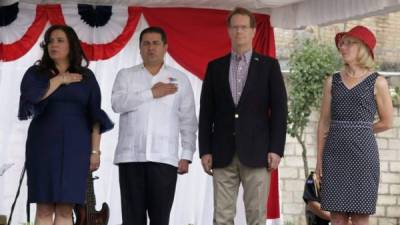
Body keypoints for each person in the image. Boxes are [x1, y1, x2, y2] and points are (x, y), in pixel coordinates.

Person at [198, 7, 288, 225]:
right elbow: (206, 111)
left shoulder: (269, 66)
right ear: (228, 31)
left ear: (253, 31)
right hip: (222, 152)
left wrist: (276, 149)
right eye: (235, 27)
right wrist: (205, 150)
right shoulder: (215, 67)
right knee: (222, 217)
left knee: (256, 216)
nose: (239, 32)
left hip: (258, 153)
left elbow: (279, 110)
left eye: (244, 27)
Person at [18, 25, 114, 225]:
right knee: (43, 207)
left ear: (72, 45)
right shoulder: (36, 73)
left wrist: (95, 152)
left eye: (60, 40)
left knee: (65, 208)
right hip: (43, 145)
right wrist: (60, 79)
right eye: (51, 41)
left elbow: (95, 116)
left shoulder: (87, 77)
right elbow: (33, 97)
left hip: (76, 147)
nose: (54, 44)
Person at [111, 26, 197, 225]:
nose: (151, 48)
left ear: (165, 47)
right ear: (139, 48)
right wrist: (151, 93)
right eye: (146, 44)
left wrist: (186, 155)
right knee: (132, 220)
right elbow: (117, 104)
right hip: (130, 157)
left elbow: (188, 120)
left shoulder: (180, 80)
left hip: (164, 158)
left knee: (160, 219)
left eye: (156, 43)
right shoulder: (126, 75)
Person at [316, 25, 393, 225]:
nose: (343, 47)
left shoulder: (378, 82)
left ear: (363, 48)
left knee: (360, 218)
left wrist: (361, 129)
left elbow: (387, 122)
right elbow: (324, 124)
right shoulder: (332, 81)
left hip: (363, 157)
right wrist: (319, 162)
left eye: (350, 43)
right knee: (337, 218)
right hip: (334, 156)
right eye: (342, 43)